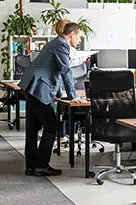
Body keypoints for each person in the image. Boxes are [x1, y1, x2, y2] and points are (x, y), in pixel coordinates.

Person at [19, 23, 87, 177]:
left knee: (33, 129)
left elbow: (52, 70)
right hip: (38, 88)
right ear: (72, 34)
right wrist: (73, 96)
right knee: (51, 127)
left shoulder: (55, 43)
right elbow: (65, 70)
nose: (79, 41)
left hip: (32, 87)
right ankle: (41, 166)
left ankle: (31, 167)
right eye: (79, 37)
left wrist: (60, 93)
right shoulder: (62, 45)